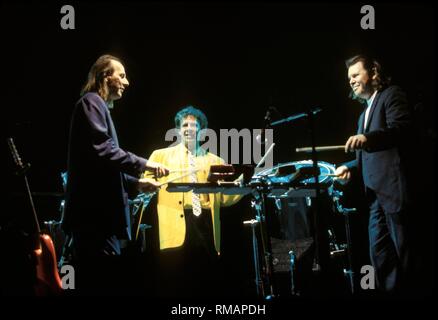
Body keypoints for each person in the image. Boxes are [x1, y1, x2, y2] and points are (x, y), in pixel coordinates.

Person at [62, 54, 168, 295]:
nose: (126, 82)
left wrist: (137, 183)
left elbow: (103, 165)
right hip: (94, 219)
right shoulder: (91, 102)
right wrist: (146, 165)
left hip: (98, 220)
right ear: (104, 77)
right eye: (121, 75)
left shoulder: (96, 107)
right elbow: (104, 149)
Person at [143, 106, 243, 298]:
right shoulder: (160, 156)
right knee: (177, 281)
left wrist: (239, 185)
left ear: (202, 131)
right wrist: (153, 181)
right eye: (185, 125)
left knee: (206, 281)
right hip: (175, 222)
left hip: (205, 223)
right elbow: (147, 184)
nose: (189, 128)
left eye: (194, 125)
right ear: (178, 129)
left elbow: (223, 198)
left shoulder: (216, 160)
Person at [334, 54, 412, 295]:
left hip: (394, 191)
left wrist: (367, 138)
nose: (351, 81)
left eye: (356, 75)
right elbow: (365, 155)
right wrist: (350, 167)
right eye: (349, 78)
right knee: (380, 255)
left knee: (407, 255)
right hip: (375, 196)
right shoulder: (363, 114)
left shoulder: (391, 95)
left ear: (373, 74)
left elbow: (400, 129)